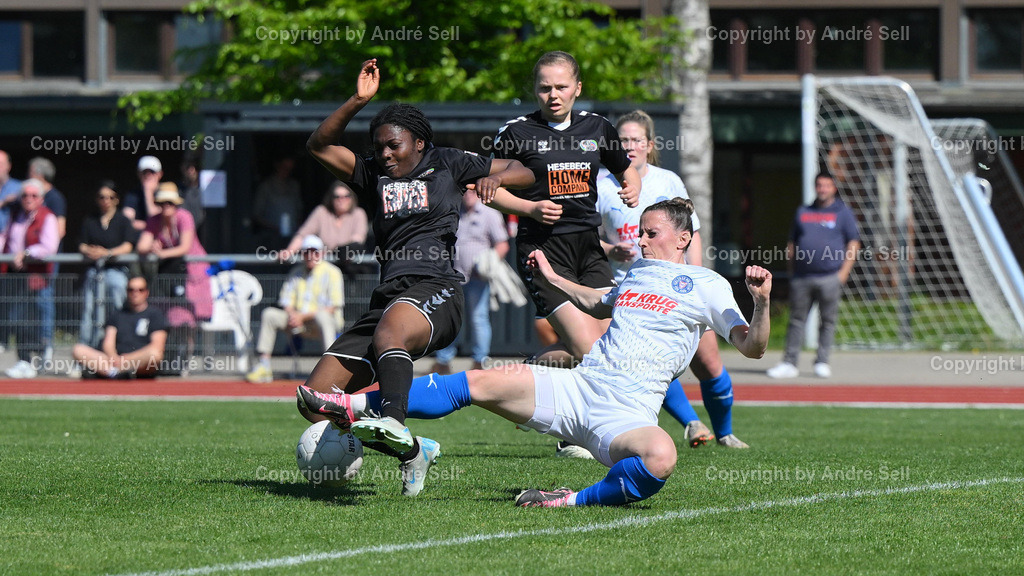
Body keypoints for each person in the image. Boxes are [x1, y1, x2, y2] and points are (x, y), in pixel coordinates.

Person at [299, 199, 773, 507]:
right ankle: (350, 404)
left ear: (683, 238)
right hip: (579, 386)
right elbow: (593, 299)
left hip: (626, 416)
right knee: (480, 380)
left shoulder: (708, 286)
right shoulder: (637, 274)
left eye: (650, 233)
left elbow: (751, 347)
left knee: (662, 456)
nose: (640, 239)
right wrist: (550, 275)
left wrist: (763, 301)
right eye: (641, 232)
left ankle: (571, 499)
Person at [300, 58, 555, 497]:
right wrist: (358, 101)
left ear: (419, 142)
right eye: (379, 146)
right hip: (387, 299)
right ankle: (415, 450)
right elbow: (320, 145)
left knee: (391, 332)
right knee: (316, 398)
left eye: (394, 145)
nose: (385, 153)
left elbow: (528, 172)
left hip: (438, 289)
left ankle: (395, 423)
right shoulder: (371, 174)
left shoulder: (451, 163)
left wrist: (497, 181)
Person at [597, 110, 746, 448]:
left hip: (681, 289)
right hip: (634, 294)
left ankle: (725, 433)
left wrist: (697, 275)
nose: (629, 146)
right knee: (652, 365)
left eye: (636, 140)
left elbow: (691, 233)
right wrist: (609, 249)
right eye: (622, 140)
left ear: (650, 145)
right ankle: (691, 423)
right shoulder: (600, 184)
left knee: (708, 362)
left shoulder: (668, 181)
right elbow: (587, 238)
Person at [492, 50, 641, 370]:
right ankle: (521, 378)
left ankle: (529, 372)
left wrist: (633, 188)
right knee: (588, 348)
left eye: (561, 87)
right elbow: (489, 192)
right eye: (545, 88)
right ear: (535, 90)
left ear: (578, 88)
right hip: (543, 249)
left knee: (612, 345)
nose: (553, 95)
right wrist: (530, 208)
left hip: (588, 247)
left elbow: (625, 169)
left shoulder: (598, 127)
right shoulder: (516, 133)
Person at [767, 172, 861, 379]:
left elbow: (853, 243)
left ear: (833, 188)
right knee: (796, 320)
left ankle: (822, 361)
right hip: (802, 277)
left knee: (827, 321)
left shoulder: (843, 212)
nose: (822, 189)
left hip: (830, 277)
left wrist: (843, 273)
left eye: (827, 185)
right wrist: (792, 271)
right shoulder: (803, 211)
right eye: (819, 185)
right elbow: (792, 242)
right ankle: (789, 363)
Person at [246, 235, 344, 383]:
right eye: (307, 252)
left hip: (322, 322)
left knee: (322, 316)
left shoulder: (333, 272)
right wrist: (293, 315)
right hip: (297, 321)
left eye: (314, 252)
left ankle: (330, 370)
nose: (310, 255)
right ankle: (263, 366)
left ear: (322, 253)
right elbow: (286, 301)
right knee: (269, 314)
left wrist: (302, 317)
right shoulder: (296, 272)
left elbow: (332, 307)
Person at [432, 190, 510, 373]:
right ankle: (443, 361)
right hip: (453, 276)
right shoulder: (453, 211)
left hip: (478, 278)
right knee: (451, 318)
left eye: (472, 191)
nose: (468, 195)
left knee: (478, 318)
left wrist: (489, 262)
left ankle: (480, 360)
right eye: (464, 191)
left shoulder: (490, 213)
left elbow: (502, 244)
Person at [0, 179, 59, 378]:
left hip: (37, 276)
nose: (28, 199)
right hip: (16, 275)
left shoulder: (47, 217)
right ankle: (23, 359)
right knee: (17, 318)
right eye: (25, 195)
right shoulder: (15, 215)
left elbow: (49, 247)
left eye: (34, 195)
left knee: (34, 318)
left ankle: (36, 358)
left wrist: (26, 253)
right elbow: (5, 239)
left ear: (41, 198)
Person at [136, 182, 213, 323]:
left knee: (189, 316)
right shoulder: (154, 220)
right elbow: (141, 246)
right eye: (162, 202)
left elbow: (185, 247)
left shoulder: (184, 216)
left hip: (193, 272)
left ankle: (191, 345)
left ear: (176, 203)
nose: (166, 205)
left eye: (170, 202)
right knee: (165, 314)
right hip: (170, 273)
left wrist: (162, 253)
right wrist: (152, 247)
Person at [78, 181, 139, 348]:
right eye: (102, 197)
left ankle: (118, 346)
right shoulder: (90, 220)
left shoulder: (123, 220)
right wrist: (90, 251)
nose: (106, 201)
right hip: (94, 271)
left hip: (116, 271)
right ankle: (86, 350)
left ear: (116, 200)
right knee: (88, 310)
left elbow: (128, 245)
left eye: (110, 197)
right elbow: (81, 244)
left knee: (117, 307)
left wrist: (108, 253)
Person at [72, 275, 168, 379]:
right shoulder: (118, 314)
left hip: (140, 361)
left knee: (155, 354)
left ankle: (115, 372)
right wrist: (114, 357)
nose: (135, 293)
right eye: (131, 290)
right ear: (127, 292)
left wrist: (127, 359)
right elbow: (108, 342)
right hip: (115, 360)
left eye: (140, 290)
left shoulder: (155, 314)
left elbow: (158, 345)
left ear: (146, 292)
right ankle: (115, 373)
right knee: (78, 350)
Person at [281, 181, 370, 274]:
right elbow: (303, 234)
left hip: (350, 270)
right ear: (331, 198)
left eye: (346, 196)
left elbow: (358, 239)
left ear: (352, 198)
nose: (341, 200)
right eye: (337, 197)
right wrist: (289, 251)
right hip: (325, 268)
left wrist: (339, 251)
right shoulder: (321, 212)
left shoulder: (358, 213)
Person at [27, 157, 66, 366]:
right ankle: (28, 346)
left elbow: (60, 230)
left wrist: (42, 245)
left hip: (46, 261)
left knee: (44, 301)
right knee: (26, 303)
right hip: (30, 260)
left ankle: (46, 345)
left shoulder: (55, 198)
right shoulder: (26, 197)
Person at [253, 156, 304, 248]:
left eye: (290, 169)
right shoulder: (266, 187)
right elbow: (257, 215)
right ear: (277, 166)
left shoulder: (294, 186)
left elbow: (299, 210)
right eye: (284, 167)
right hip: (270, 239)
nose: (287, 172)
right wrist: (274, 227)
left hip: (292, 238)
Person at [124, 156, 164, 231]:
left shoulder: (166, 192)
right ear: (138, 174)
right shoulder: (133, 194)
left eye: (152, 172)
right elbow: (126, 222)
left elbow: (156, 219)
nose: (148, 175)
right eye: (145, 172)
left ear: (160, 174)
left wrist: (148, 192)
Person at [0, 149, 22, 233]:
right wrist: (4, 202)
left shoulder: (19, 187)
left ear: (8, 166)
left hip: (10, 240)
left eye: (0, 164)